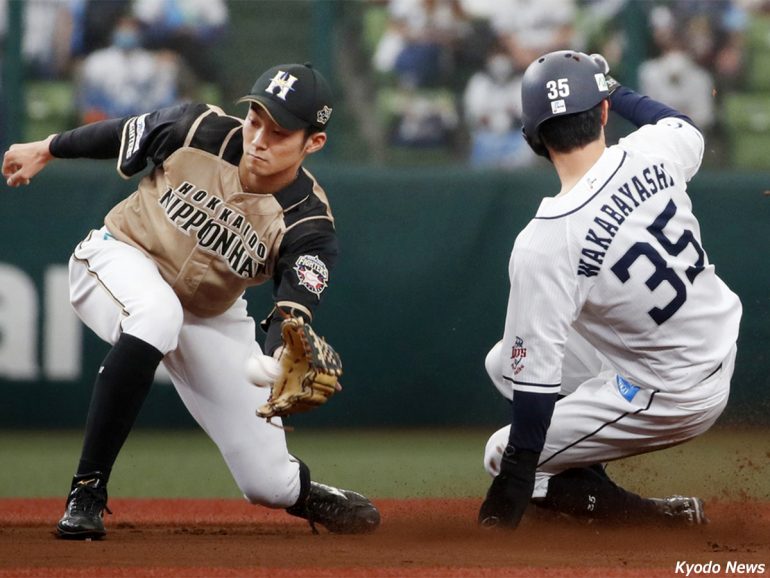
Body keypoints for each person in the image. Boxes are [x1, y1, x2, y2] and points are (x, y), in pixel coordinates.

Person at [2, 62, 381, 540]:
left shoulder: (308, 222)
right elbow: (120, 133)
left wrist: (284, 348)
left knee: (268, 484)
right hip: (118, 257)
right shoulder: (197, 129)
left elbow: (293, 309)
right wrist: (47, 147)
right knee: (157, 313)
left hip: (211, 315)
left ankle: (303, 493)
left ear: (313, 143)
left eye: (279, 131)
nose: (259, 138)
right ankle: (87, 490)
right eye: (256, 119)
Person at [477, 50, 742, 529]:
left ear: (532, 138)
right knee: (504, 365)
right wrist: (613, 87)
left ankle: (657, 518)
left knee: (501, 453)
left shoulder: (547, 241)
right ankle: (584, 480)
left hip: (671, 391)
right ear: (602, 112)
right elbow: (680, 123)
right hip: (708, 341)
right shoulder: (652, 151)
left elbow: (537, 384)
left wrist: (517, 473)